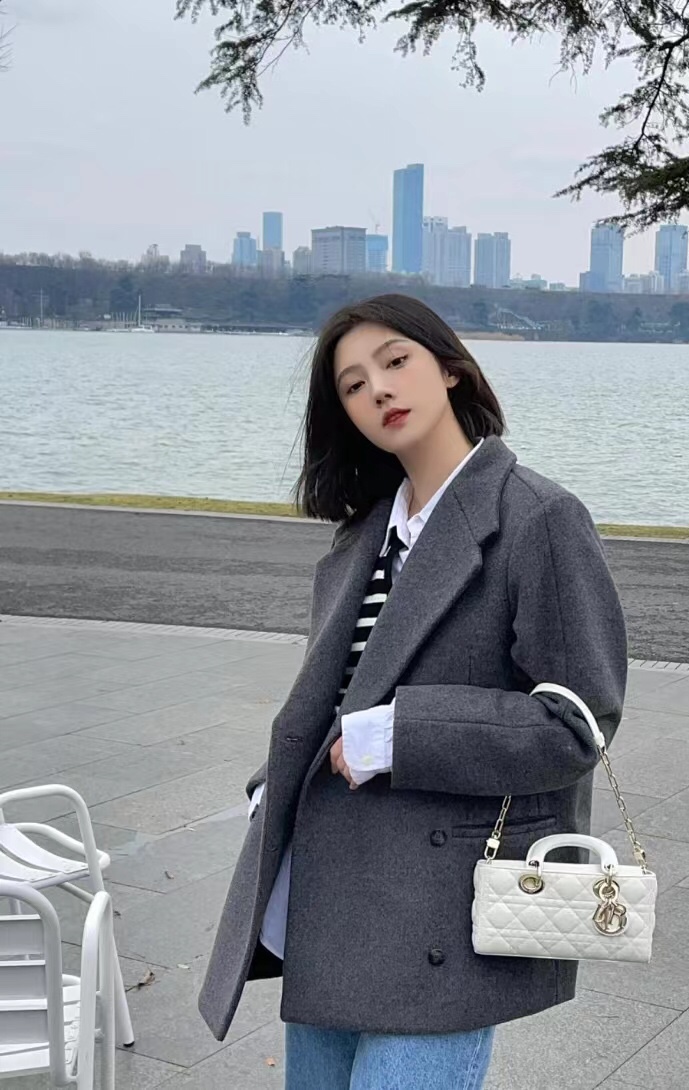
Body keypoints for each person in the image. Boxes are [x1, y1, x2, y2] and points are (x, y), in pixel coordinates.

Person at [198, 294, 628, 1089]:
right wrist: (274, 785)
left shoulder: (538, 517)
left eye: (395, 361)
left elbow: (577, 723)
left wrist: (402, 732)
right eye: (353, 385)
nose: (379, 391)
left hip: (443, 909)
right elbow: (334, 695)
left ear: (451, 369)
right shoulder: (365, 533)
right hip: (332, 896)